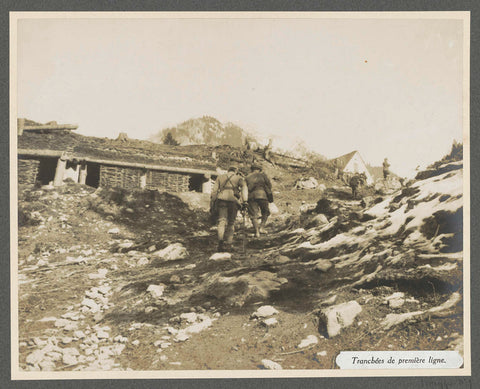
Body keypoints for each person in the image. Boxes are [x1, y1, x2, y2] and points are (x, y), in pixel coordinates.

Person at [210, 166, 248, 252]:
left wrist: (212, 203)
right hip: (233, 201)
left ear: (228, 170)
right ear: (235, 171)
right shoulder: (239, 178)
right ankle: (229, 244)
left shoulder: (220, 177)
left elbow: (214, 191)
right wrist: (245, 201)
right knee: (231, 223)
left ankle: (220, 243)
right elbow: (244, 188)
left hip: (221, 200)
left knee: (221, 221)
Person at [246, 163, 273, 237]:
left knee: (253, 214)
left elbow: (245, 189)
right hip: (263, 196)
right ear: (259, 169)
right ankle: (262, 227)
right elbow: (269, 186)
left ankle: (257, 232)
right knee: (266, 212)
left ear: (252, 169)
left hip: (251, 197)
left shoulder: (247, 177)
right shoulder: (263, 176)